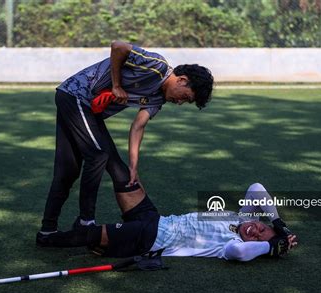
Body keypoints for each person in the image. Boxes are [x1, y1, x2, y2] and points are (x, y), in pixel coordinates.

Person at [39, 41, 214, 235]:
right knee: (97, 156)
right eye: (185, 97)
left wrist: (133, 166)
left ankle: (47, 232)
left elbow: (138, 126)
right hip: (76, 95)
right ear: (181, 80)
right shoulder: (157, 66)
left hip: (87, 111)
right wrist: (116, 85)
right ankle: (85, 223)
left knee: (69, 171)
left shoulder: (158, 98)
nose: (180, 102)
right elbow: (118, 46)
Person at [36, 183, 299, 262]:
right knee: (123, 178)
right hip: (157, 219)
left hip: (152, 237)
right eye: (260, 228)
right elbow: (256, 188)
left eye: (257, 237)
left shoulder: (231, 245)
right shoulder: (243, 218)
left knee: (91, 235)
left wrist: (270, 246)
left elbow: (241, 252)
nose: (253, 231)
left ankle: (47, 238)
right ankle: (100, 238)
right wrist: (278, 224)